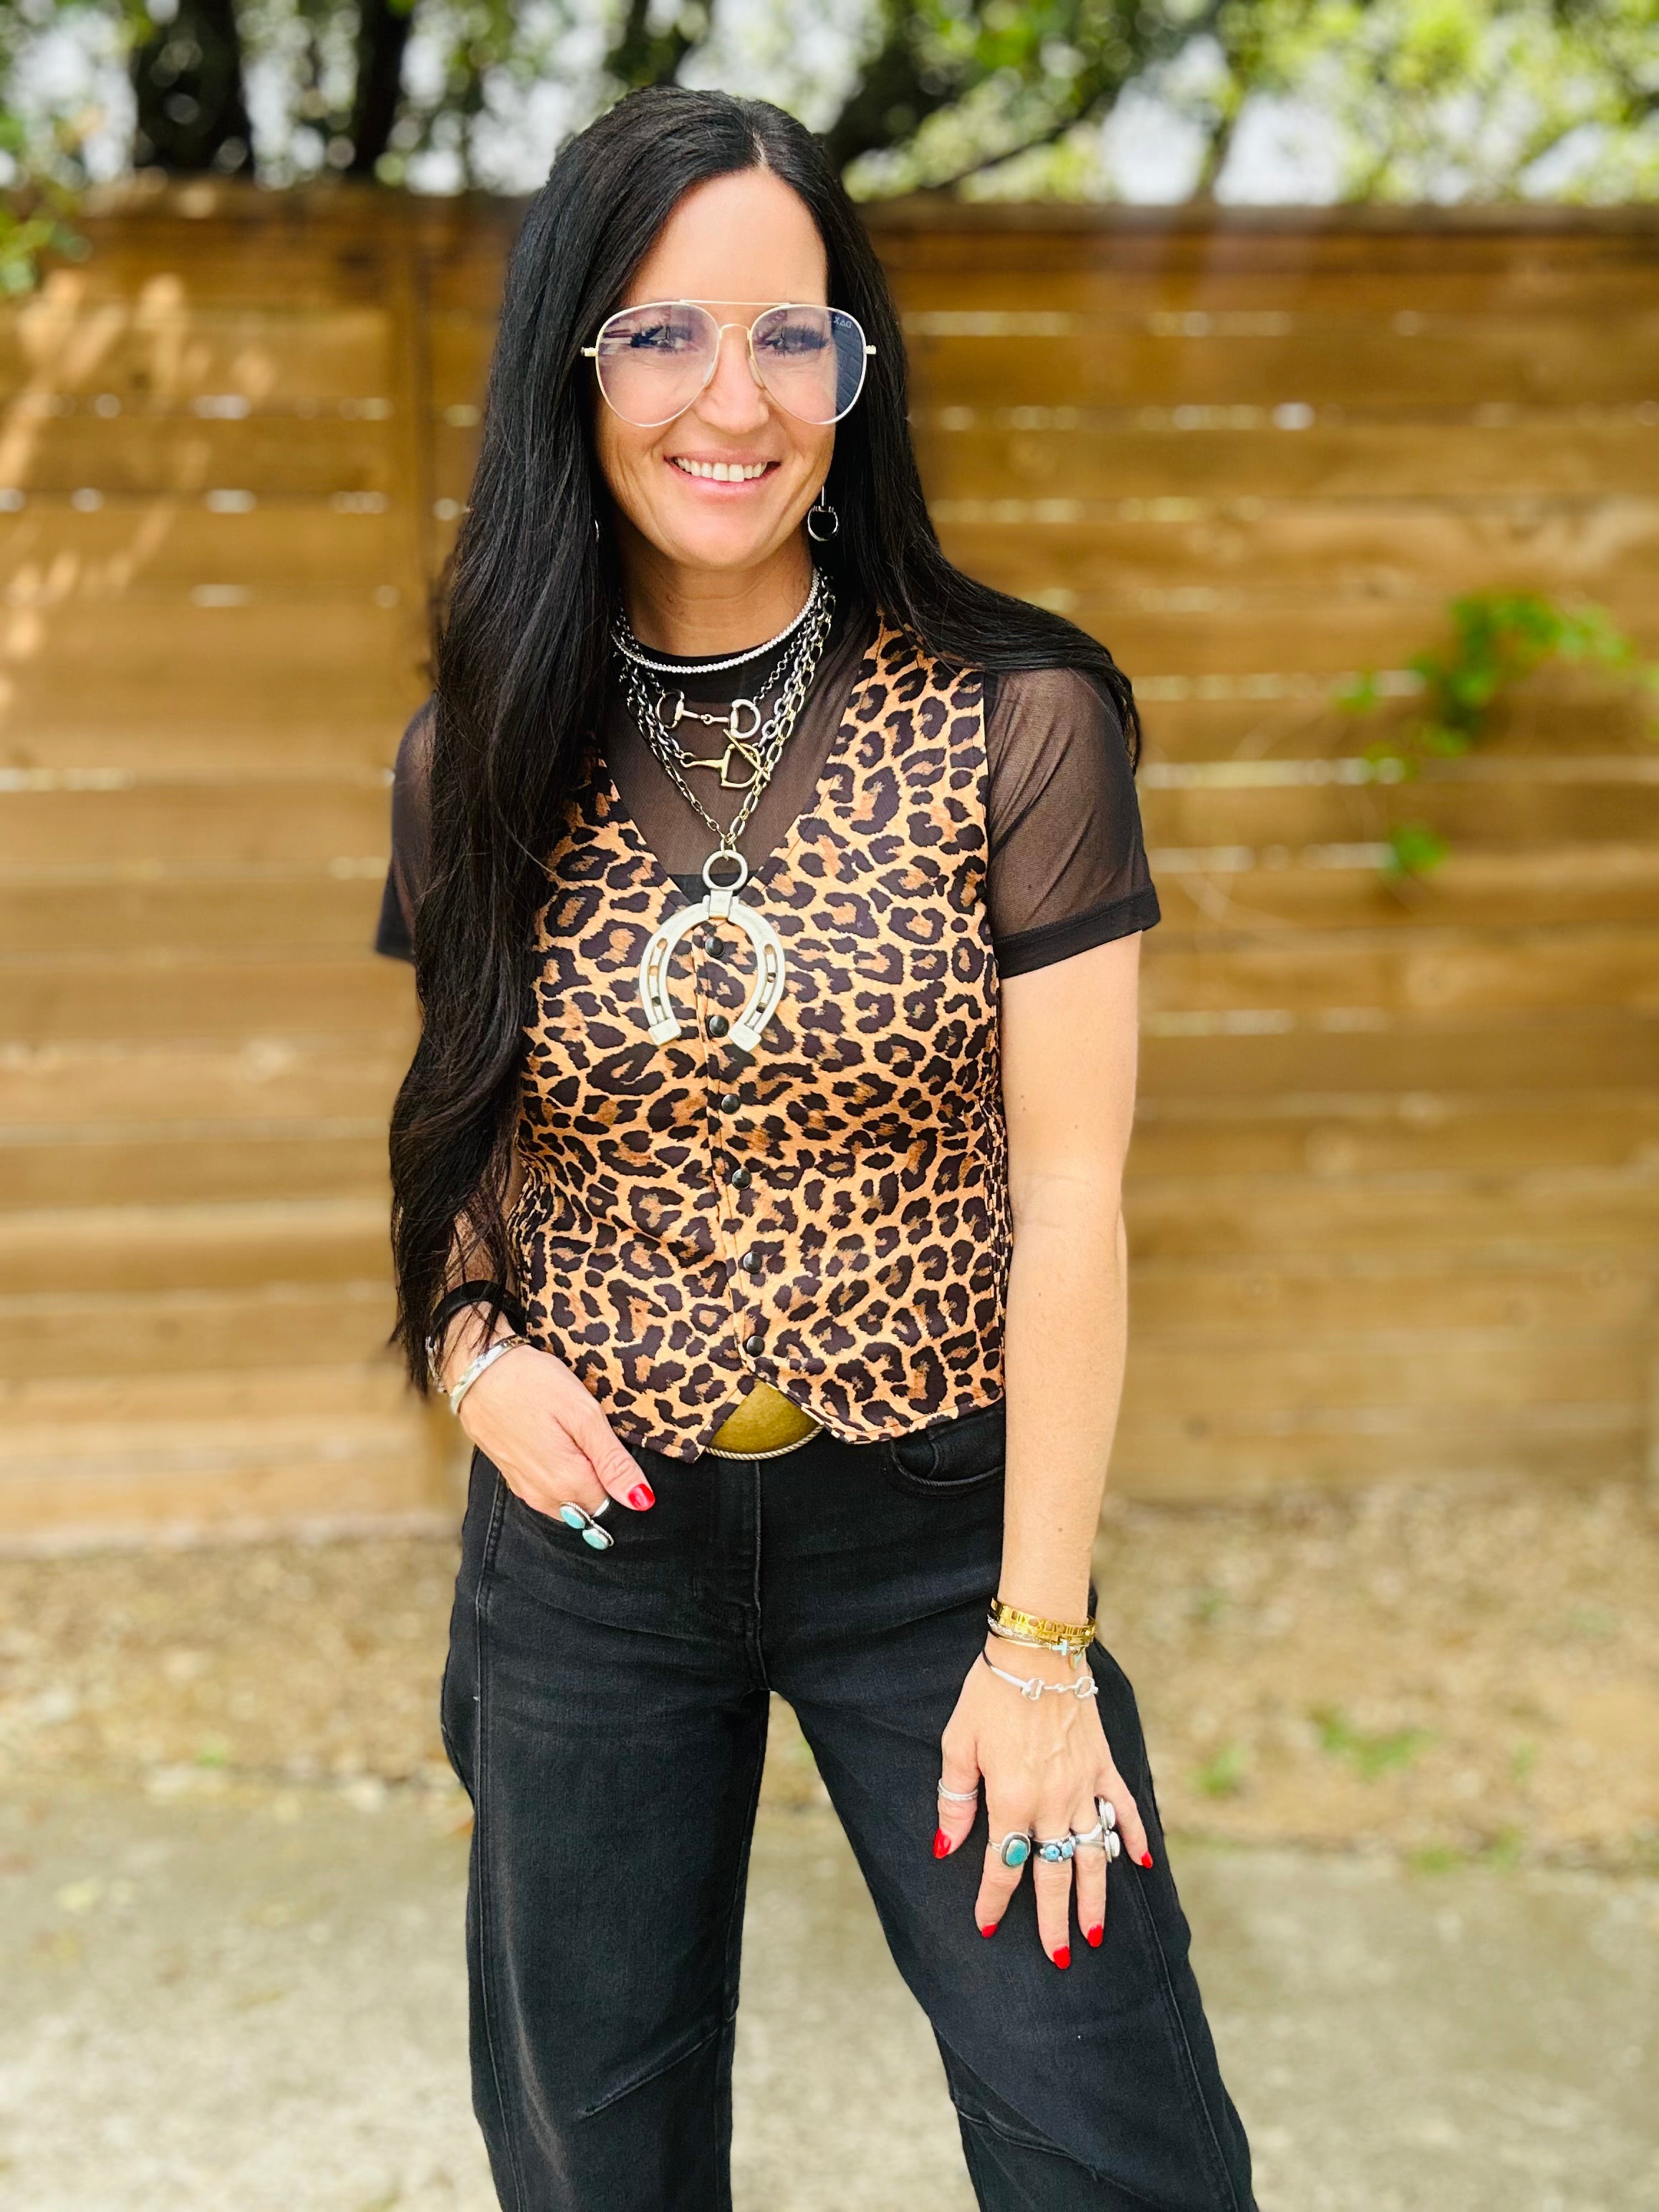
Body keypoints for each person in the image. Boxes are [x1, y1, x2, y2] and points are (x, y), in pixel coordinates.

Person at [377, 82, 1254, 2212]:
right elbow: (459, 1140)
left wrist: (1037, 1648)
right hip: (593, 1562)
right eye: (665, 335)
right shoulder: (476, 747)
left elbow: (1073, 1199)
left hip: (941, 1549)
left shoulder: (1018, 717)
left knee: (1110, 2149)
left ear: (856, 369)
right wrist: (474, 1359)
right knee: (595, 2161)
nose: (736, 399)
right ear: (573, 364)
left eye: (793, 335)